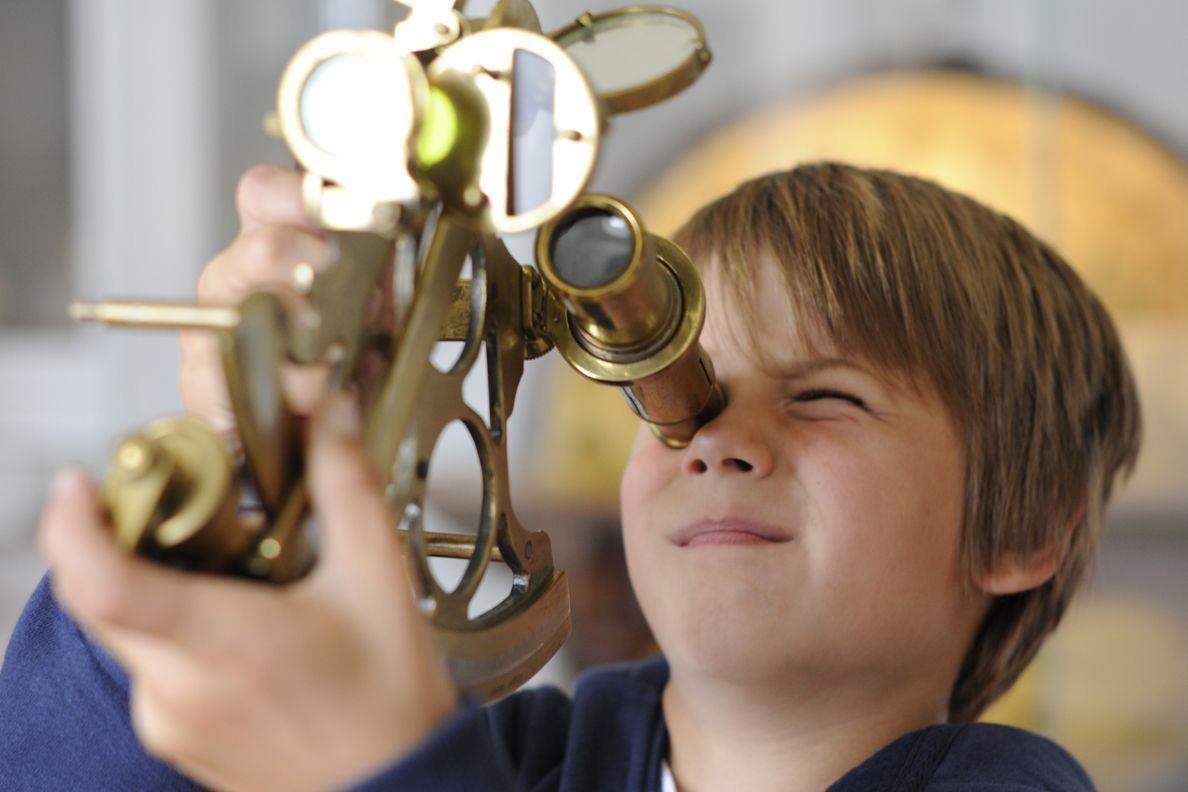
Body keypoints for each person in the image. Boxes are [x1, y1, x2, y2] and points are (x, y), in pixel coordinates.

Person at [0, 162, 1140, 791]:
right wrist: (259, 477)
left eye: (826, 396)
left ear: (1023, 527)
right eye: (673, 393)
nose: (711, 439)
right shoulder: (509, 765)